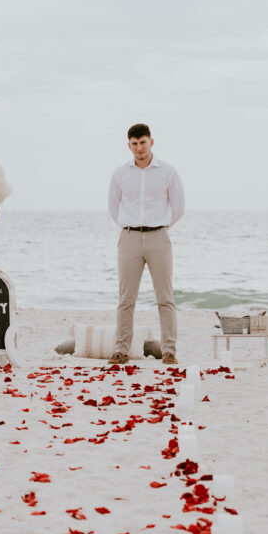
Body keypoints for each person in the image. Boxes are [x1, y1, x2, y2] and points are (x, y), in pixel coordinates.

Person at [107, 123, 185, 365]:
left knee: (165, 297)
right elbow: (114, 207)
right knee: (126, 299)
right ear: (128, 145)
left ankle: (169, 351)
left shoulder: (168, 172)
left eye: (143, 142)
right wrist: (131, 227)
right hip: (129, 238)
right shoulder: (120, 174)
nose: (139, 148)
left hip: (159, 238)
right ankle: (121, 350)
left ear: (151, 142)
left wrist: (159, 229)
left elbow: (178, 208)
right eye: (134, 144)